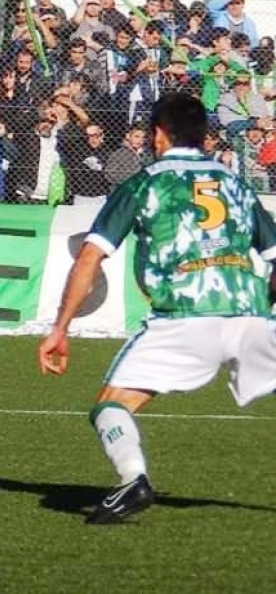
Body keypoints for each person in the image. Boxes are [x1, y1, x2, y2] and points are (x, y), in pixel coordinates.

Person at [38, 92, 276, 524]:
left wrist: (60, 328)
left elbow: (91, 257)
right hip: (251, 314)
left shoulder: (144, 182)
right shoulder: (236, 183)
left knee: (110, 406)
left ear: (158, 135)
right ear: (204, 136)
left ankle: (133, 479)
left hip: (183, 319)